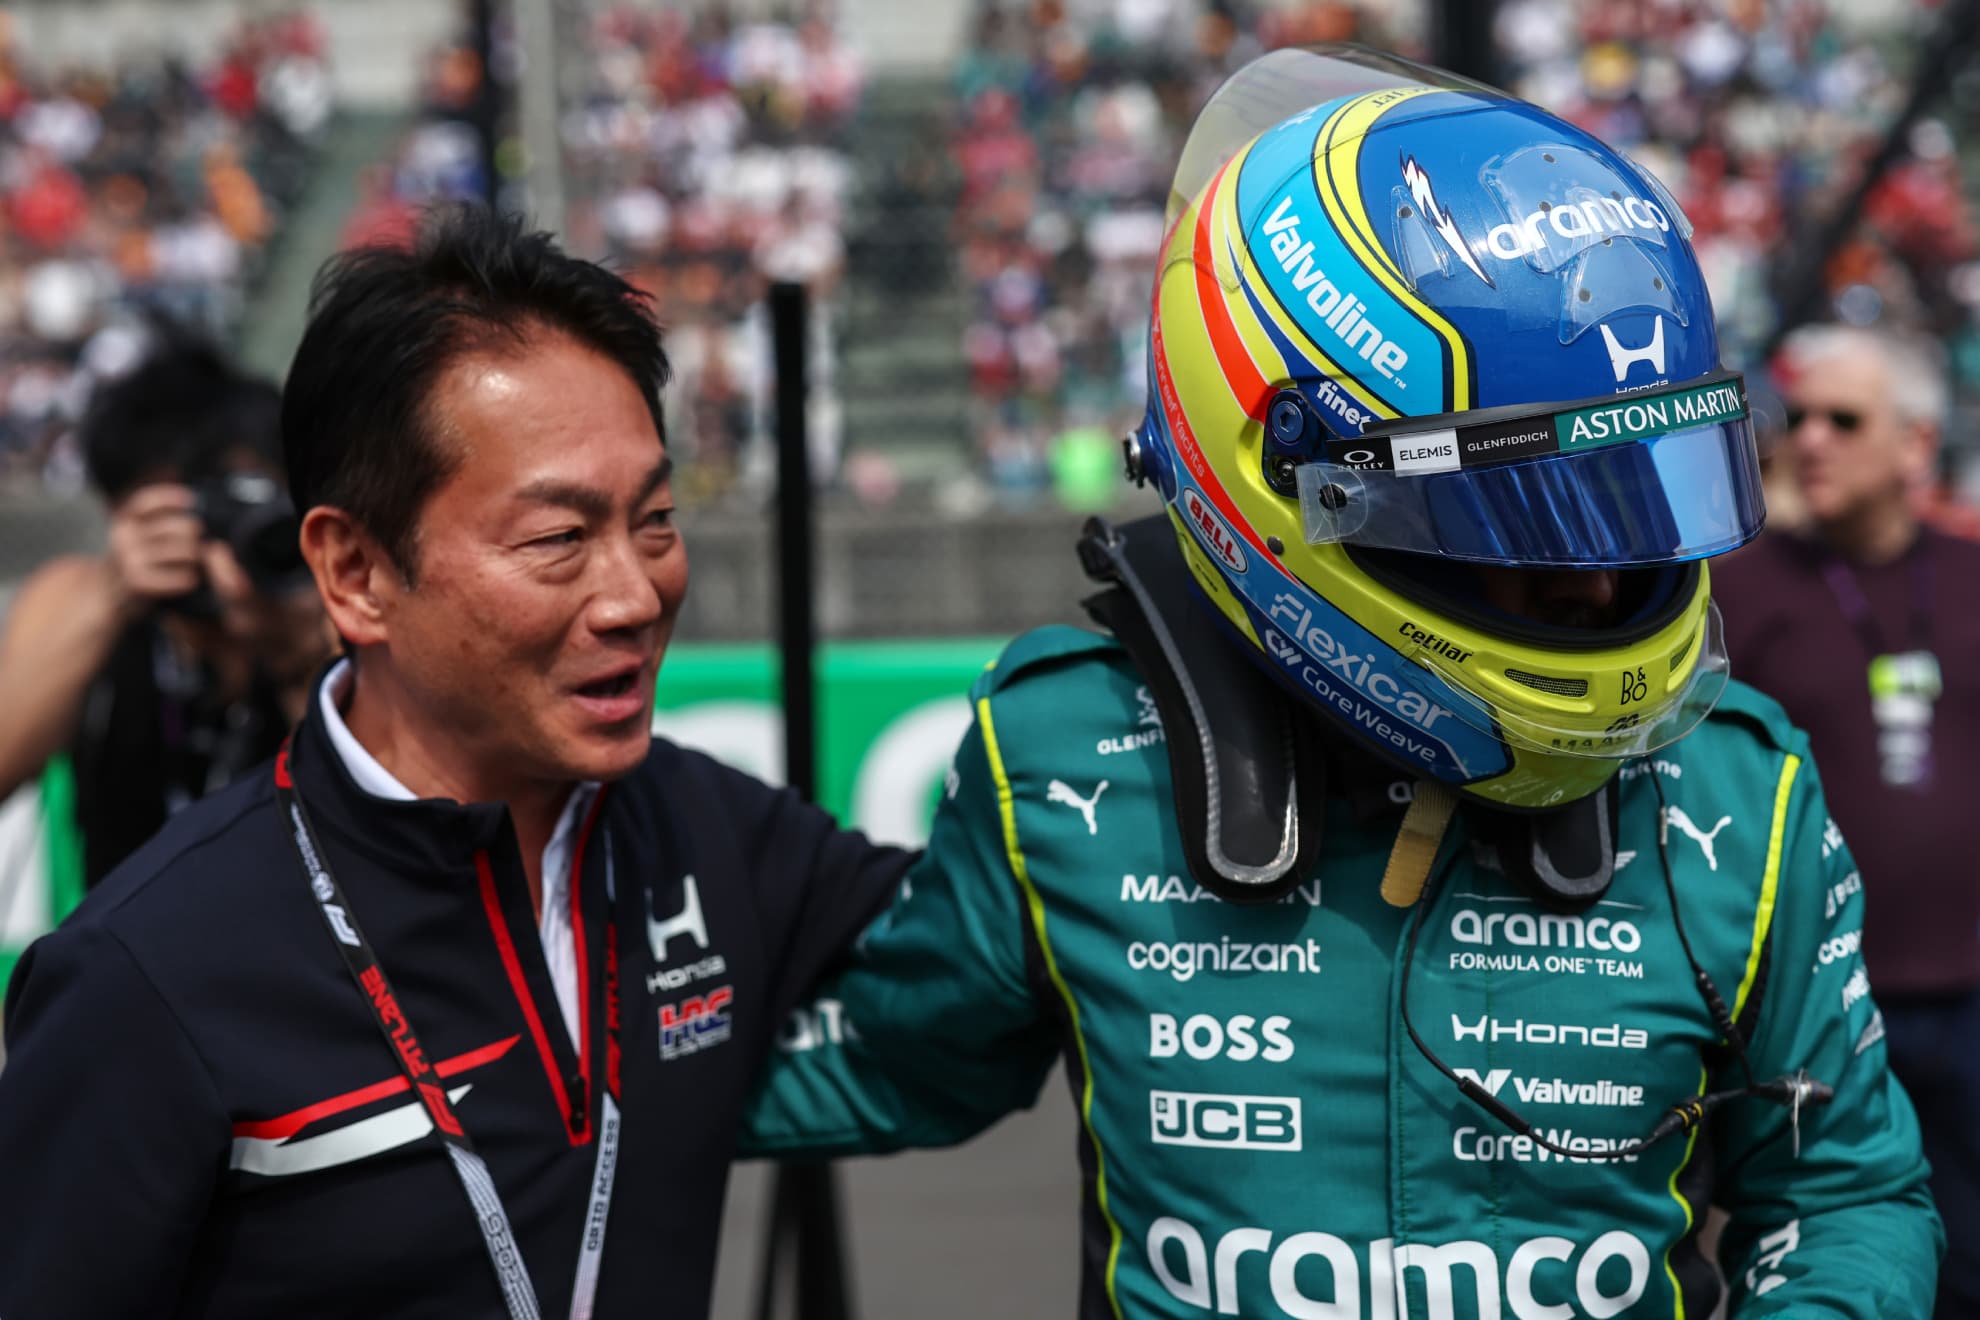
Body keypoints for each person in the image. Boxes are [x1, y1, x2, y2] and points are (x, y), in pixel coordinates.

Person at [741, 48, 1943, 1317]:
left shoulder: (1737, 788)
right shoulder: (1068, 751)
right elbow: (891, 1062)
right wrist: (605, 1046)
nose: (1597, 585)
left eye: (1636, 502)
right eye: (1519, 524)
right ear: (1284, 484)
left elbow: (1845, 1194)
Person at [0, 206, 909, 1318]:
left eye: (656, 519)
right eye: (558, 538)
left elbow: (993, 956)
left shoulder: (711, 829)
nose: (634, 595)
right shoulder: (144, 972)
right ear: (353, 573)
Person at [1712, 322, 1980, 1318]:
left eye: (1845, 419)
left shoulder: (1968, 575)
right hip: (1814, 1004)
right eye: (1799, 417)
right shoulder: (1739, 589)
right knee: (1819, 1250)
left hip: (1969, 993)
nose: (1810, 439)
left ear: (1917, 442)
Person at [0, 333, 336, 886]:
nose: (209, 543)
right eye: (187, 512)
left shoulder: (331, 606)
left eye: (236, 503)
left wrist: (297, 655)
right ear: (120, 511)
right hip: (121, 927)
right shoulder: (82, 602)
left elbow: (375, 814)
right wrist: (111, 598)